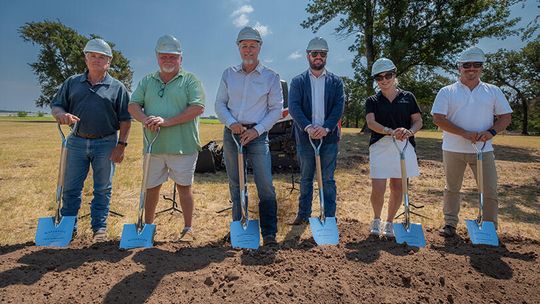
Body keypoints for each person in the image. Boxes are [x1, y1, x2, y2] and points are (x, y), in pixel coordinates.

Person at [51, 38, 131, 242]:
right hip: (76, 141)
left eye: (101, 57)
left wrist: (121, 145)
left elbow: (125, 119)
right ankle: (68, 227)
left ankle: (99, 229)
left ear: (109, 62)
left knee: (103, 188)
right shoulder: (72, 82)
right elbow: (57, 105)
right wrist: (61, 115)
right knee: (70, 187)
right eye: (92, 56)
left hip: (106, 142)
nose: (97, 60)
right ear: (86, 59)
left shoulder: (117, 87)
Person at [128, 34, 205, 241]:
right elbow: (133, 105)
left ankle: (188, 229)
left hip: (183, 145)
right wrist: (145, 120)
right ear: (157, 57)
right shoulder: (147, 81)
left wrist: (167, 122)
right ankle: (147, 228)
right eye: (164, 57)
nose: (168, 61)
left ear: (181, 58)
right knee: (151, 188)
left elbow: (197, 107)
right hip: (154, 146)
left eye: (173, 57)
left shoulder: (190, 80)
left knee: (184, 188)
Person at [431, 46, 512, 237]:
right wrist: (463, 133)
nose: (471, 68)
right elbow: (438, 118)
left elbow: (505, 116)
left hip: (483, 150)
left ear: (482, 67)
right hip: (453, 148)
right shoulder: (447, 91)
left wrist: (491, 132)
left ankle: (489, 226)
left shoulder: (492, 91)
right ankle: (450, 224)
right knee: (452, 188)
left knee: (489, 189)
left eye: (476, 65)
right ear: (459, 67)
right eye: (466, 65)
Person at [215, 26, 283, 246]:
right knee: (236, 184)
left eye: (253, 46)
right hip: (232, 134)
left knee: (265, 185)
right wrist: (232, 123)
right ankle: (239, 227)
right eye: (244, 46)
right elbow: (219, 104)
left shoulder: (271, 77)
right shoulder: (228, 74)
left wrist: (257, 130)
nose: (248, 50)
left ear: (260, 47)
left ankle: (270, 233)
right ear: (238, 48)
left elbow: (276, 109)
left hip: (258, 135)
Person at [288, 37, 345, 225]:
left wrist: (326, 127)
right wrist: (308, 127)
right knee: (306, 178)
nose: (318, 57)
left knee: (327, 179)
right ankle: (303, 215)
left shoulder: (336, 82)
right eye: (314, 54)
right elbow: (294, 107)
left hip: (328, 139)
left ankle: (329, 216)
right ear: (308, 56)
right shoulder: (297, 82)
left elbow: (338, 107)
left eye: (322, 53)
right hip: (306, 138)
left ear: (326, 56)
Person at [365, 58, 423, 238]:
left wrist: (409, 132)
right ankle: (376, 219)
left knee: (398, 187)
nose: (384, 80)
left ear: (394, 74)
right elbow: (371, 122)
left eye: (387, 75)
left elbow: (418, 121)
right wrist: (390, 131)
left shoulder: (408, 97)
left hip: (403, 145)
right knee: (378, 187)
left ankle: (389, 222)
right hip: (380, 146)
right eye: (379, 77)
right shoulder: (372, 100)